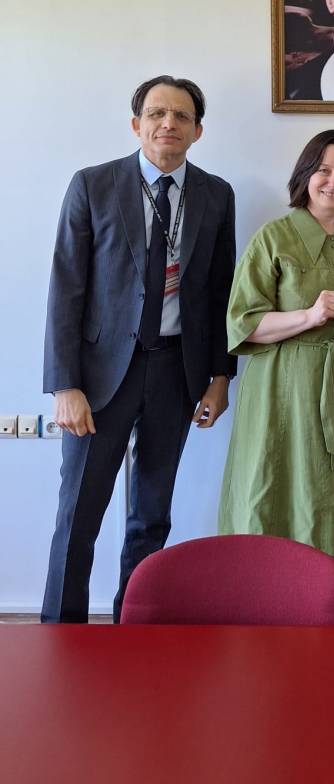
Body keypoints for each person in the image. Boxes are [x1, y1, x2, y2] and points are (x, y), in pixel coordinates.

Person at [42, 76, 235, 623]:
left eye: (181, 116)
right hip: (100, 378)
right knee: (79, 516)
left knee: (151, 516)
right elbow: (66, 288)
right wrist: (65, 385)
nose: (168, 124)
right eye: (156, 113)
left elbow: (220, 290)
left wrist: (221, 377)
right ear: (136, 124)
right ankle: (61, 632)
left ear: (197, 131)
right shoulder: (93, 185)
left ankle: (136, 629)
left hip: (177, 371)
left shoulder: (216, 194)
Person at [218, 130, 334, 578]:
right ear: (305, 174)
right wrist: (309, 315)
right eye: (324, 170)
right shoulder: (272, 237)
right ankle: (270, 601)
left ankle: (328, 602)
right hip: (281, 390)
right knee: (275, 490)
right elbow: (242, 323)